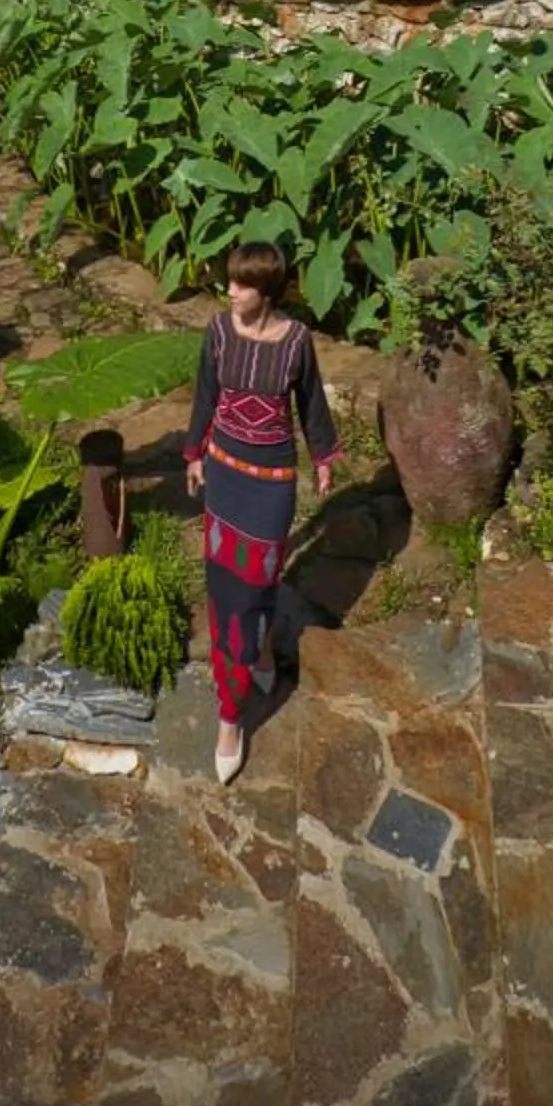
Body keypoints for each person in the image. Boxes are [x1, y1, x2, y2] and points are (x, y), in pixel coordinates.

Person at [183, 238, 341, 783]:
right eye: (230, 280)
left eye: (242, 284)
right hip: (224, 470)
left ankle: (259, 654)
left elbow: (311, 402)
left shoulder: (296, 341)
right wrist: (193, 452)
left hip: (272, 482)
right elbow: (205, 393)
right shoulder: (219, 332)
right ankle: (231, 715)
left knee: (258, 580)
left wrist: (323, 456)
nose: (230, 291)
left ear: (267, 291)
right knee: (227, 590)